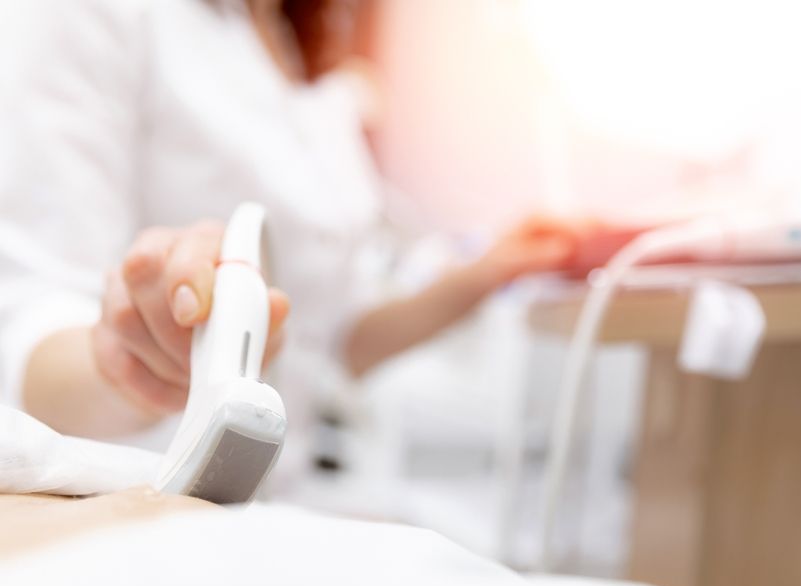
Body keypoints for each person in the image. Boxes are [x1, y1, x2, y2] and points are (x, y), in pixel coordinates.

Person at [0, 0, 579, 475]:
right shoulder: (97, 16)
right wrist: (130, 364)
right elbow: (32, 318)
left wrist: (490, 273)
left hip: (285, 489)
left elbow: (338, 339)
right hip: (140, 486)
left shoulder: (304, 60)